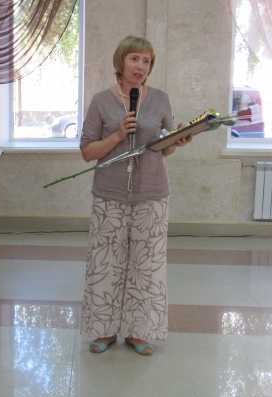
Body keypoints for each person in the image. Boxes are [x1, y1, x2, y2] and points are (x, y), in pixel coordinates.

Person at [80, 35, 191, 356]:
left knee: (146, 266)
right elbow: (87, 151)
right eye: (134, 59)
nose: (140, 66)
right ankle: (103, 331)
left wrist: (178, 140)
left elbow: (164, 147)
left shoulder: (161, 99)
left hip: (152, 193)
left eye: (146, 61)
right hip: (109, 194)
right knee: (106, 264)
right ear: (121, 61)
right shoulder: (101, 101)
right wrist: (117, 134)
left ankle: (138, 332)